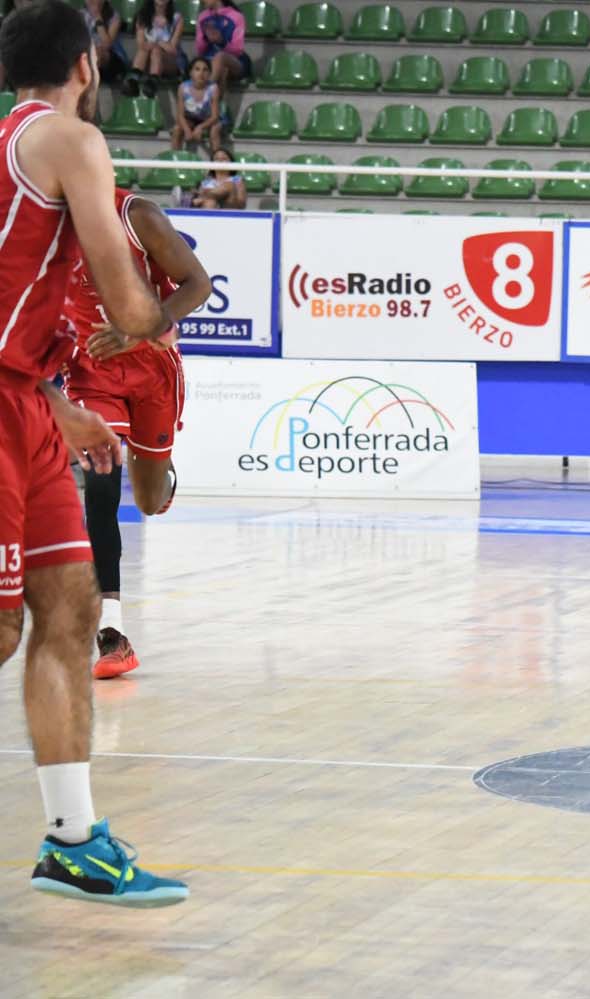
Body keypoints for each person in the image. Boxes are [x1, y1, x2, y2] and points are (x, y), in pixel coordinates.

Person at [0, 0, 188, 906]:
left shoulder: (17, 143)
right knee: (4, 627)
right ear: (86, 64)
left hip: (28, 397)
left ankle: (73, 840)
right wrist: (151, 325)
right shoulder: (71, 143)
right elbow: (133, 308)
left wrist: (58, 401)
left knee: (71, 608)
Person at [61, 186, 211, 679]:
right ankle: (112, 634)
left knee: (146, 501)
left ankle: (161, 480)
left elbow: (197, 284)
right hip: (90, 371)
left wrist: (141, 326)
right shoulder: (38, 228)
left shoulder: (136, 214)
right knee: (101, 485)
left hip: (152, 369)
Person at [125, 0, 185, 98]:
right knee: (144, 50)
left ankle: (152, 83)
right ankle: (133, 81)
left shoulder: (177, 18)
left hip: (169, 61)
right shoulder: (142, 16)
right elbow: (141, 44)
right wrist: (160, 44)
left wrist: (156, 43)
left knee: (156, 51)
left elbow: (172, 49)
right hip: (147, 59)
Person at [195, 0, 248, 95]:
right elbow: (200, 51)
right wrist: (206, 38)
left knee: (220, 57)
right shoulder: (203, 17)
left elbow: (237, 50)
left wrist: (221, 41)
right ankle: (217, 107)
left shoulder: (236, 16)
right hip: (210, 61)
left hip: (234, 61)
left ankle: (202, 95)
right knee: (223, 71)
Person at [171, 56, 221, 152]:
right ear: (191, 73)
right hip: (190, 119)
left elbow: (215, 117)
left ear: (209, 74)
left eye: (205, 70)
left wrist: (200, 127)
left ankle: (216, 160)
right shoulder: (183, 87)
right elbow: (180, 115)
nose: (201, 73)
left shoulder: (213, 88)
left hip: (209, 120)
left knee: (215, 129)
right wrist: (186, 130)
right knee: (177, 129)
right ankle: (175, 160)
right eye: (197, 69)